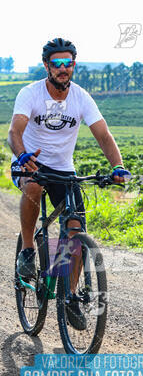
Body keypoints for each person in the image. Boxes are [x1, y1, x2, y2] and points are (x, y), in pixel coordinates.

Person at [8, 37, 131, 329]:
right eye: (57, 64)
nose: (63, 69)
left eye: (68, 63)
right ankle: (27, 251)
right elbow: (15, 131)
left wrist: (118, 167)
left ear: (74, 65)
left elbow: (103, 135)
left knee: (75, 230)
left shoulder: (81, 97)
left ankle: (70, 296)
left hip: (64, 171)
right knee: (34, 187)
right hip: (30, 163)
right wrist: (23, 154)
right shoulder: (31, 94)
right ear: (47, 66)